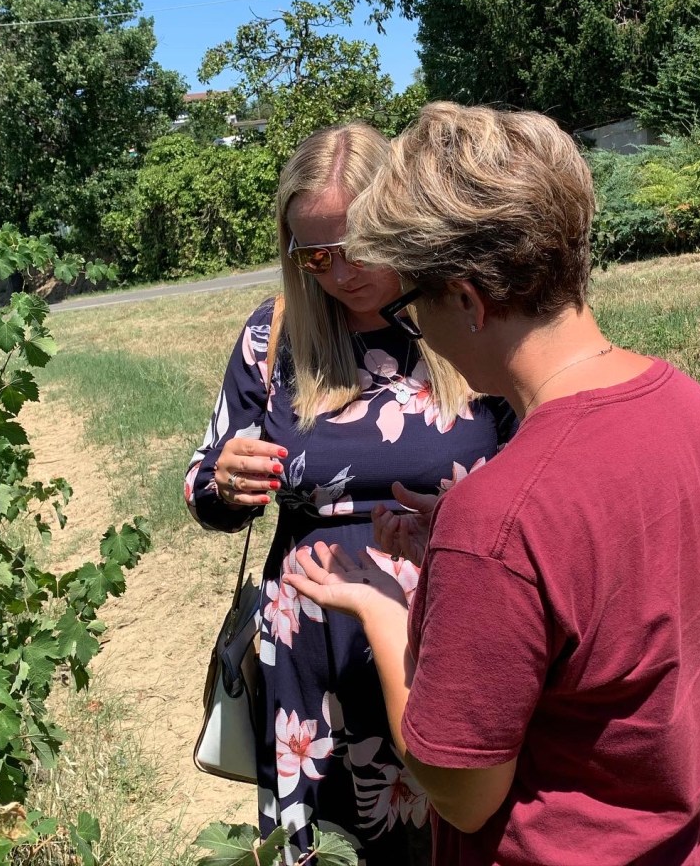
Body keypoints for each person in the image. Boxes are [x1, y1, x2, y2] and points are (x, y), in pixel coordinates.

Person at [284, 103, 700, 866]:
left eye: (411, 304)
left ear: (467, 302)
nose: (416, 331)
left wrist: (384, 608)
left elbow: (460, 792)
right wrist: (470, 561)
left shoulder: (499, 523)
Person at [184, 122, 515, 865]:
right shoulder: (275, 336)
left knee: (457, 829)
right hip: (311, 647)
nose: (342, 272)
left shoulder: (469, 319)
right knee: (328, 844)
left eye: (360, 243)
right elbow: (203, 484)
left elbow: (536, 469)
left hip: (448, 622)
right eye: (317, 256)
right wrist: (225, 481)